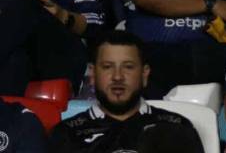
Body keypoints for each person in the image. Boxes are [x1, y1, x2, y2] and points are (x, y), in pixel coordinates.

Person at [49, 30, 203, 153]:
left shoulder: (176, 127)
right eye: (107, 67)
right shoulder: (67, 133)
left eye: (128, 67)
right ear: (93, 74)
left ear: (144, 74)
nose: (117, 77)